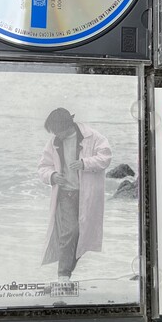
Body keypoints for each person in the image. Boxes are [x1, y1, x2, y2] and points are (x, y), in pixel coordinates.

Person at [38, 108, 112, 280]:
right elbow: (43, 166)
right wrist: (53, 176)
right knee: (69, 233)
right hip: (66, 193)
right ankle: (63, 275)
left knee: (82, 234)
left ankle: (67, 272)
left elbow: (106, 157)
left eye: (57, 130)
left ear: (66, 125)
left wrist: (85, 163)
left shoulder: (92, 137)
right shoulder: (54, 142)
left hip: (87, 194)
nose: (55, 134)